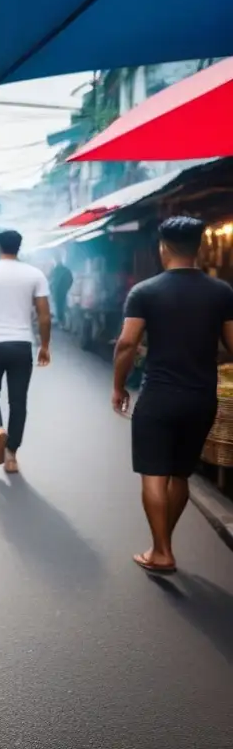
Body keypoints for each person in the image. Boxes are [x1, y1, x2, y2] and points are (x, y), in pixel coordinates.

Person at [112, 216, 233, 574]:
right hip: (202, 397)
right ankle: (162, 544)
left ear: (163, 247)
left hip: (159, 396)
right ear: (200, 247)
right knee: (181, 474)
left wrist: (118, 385)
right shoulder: (222, 292)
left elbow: (127, 343)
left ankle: (161, 551)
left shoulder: (145, 291)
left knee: (154, 474)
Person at [0, 230, 51, 474]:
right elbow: (44, 315)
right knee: (18, 402)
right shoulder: (35, 274)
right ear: (20, 247)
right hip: (21, 345)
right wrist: (45, 345)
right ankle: (12, 455)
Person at [49, 257, 74, 327]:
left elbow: (50, 280)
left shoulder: (55, 270)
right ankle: (62, 321)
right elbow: (71, 280)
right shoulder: (66, 270)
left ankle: (61, 321)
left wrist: (52, 289)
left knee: (59, 306)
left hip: (58, 292)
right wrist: (67, 288)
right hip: (62, 291)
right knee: (62, 306)